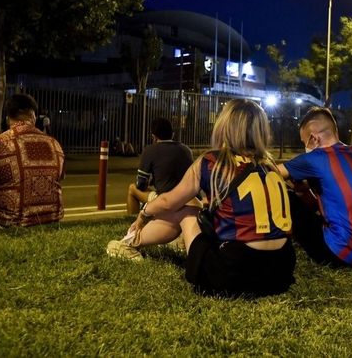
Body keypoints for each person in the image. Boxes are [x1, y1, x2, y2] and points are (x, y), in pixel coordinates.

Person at [106, 99, 296, 298]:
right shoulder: (270, 164)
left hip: (235, 274)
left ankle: (130, 243)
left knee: (186, 205)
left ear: (224, 126)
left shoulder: (212, 161)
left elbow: (168, 202)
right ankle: (173, 240)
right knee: (201, 206)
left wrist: (143, 214)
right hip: (280, 271)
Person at [277, 107, 352, 267]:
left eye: (304, 141)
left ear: (314, 138)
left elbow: (271, 173)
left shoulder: (316, 158)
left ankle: (270, 245)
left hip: (341, 253)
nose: (305, 148)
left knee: (286, 197)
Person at [0, 93, 65, 230]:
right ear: (32, 116)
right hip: (52, 218)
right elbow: (58, 179)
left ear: (7, 118)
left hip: (10, 219)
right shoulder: (54, 144)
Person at [126, 117, 195, 215]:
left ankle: (131, 221)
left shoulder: (150, 150)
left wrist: (150, 181)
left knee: (132, 188)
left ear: (154, 137)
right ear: (173, 134)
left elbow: (141, 184)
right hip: (189, 199)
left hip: (168, 201)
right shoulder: (186, 149)